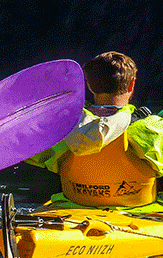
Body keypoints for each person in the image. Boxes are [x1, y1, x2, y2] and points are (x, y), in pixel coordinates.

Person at [27, 51, 163, 208]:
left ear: (89, 85)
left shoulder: (64, 130)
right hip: (140, 212)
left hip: (73, 207)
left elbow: (29, 152)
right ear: (132, 84)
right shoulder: (151, 130)